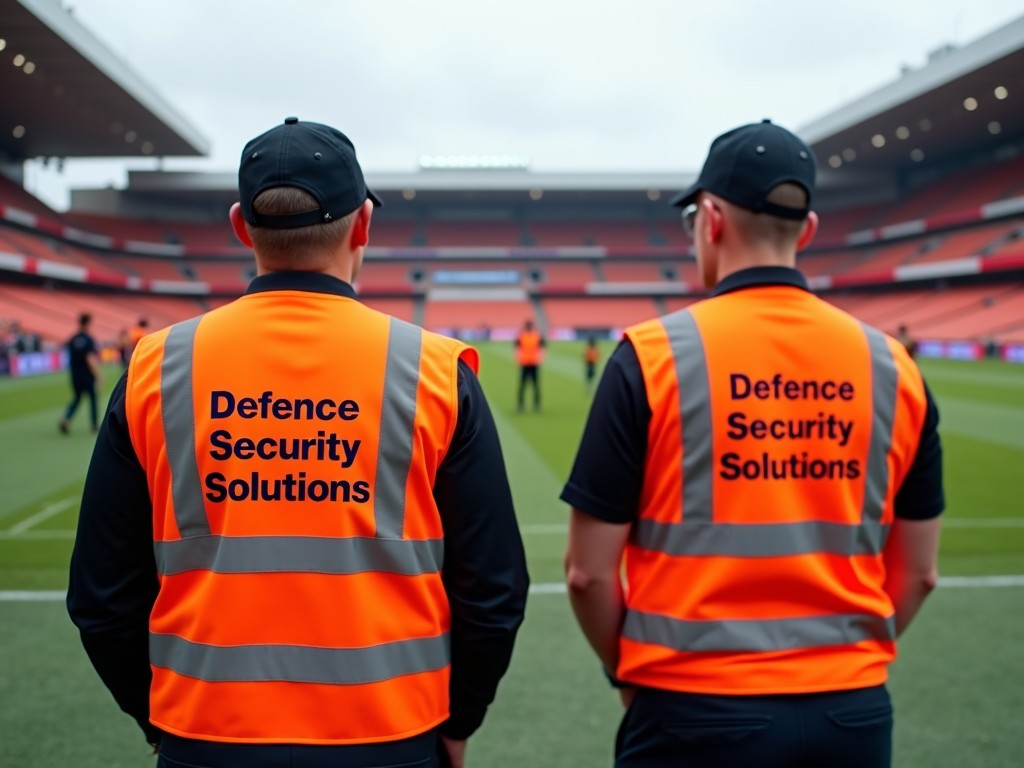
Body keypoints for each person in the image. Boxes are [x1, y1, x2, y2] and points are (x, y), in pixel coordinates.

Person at [68, 117, 529, 768]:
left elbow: (101, 598)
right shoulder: (435, 370)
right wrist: (459, 721)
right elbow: (494, 590)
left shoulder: (155, 367)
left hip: (205, 737)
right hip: (392, 738)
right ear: (364, 225)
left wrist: (161, 719)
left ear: (240, 226)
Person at [561, 120, 944, 768]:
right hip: (850, 713)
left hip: (690, 707)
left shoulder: (649, 358)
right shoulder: (894, 366)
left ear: (709, 219)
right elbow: (921, 572)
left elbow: (588, 573)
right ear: (809, 230)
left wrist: (627, 674)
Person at [58, 312, 102, 434]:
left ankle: (66, 418)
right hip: (87, 375)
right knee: (93, 399)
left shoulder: (73, 338)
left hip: (75, 374)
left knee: (77, 398)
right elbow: (90, 358)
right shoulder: (88, 339)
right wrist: (98, 375)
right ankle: (94, 426)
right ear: (88, 323)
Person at [515, 318, 545, 412]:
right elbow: (517, 348)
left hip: (534, 363)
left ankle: (537, 405)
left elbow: (542, 348)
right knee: (522, 386)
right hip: (524, 364)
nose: (528, 327)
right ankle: (520, 405)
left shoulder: (537, 336)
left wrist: (539, 358)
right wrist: (519, 358)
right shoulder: (521, 336)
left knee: (536, 385)